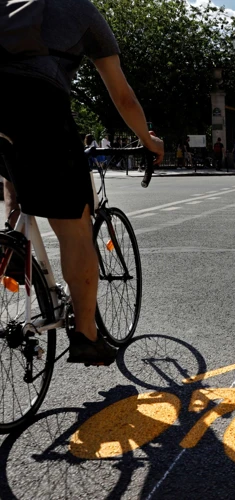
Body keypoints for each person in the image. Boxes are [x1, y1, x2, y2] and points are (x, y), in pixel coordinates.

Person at [0, 0, 164, 365]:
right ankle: (87, 336)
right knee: (75, 228)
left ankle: (12, 236)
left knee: (11, 159)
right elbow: (122, 95)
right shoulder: (83, 12)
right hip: (36, 102)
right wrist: (150, 140)